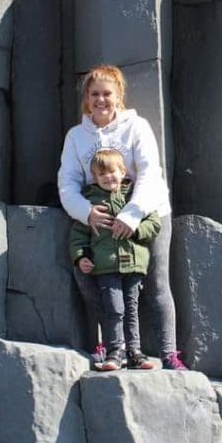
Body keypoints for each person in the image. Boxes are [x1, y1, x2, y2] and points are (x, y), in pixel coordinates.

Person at [58, 64, 188, 370]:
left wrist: (131, 216)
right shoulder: (76, 137)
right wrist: (85, 212)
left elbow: (150, 173)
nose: (101, 100)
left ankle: (169, 353)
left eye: (107, 94)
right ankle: (109, 344)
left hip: (146, 213)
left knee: (156, 284)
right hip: (98, 220)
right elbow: (68, 183)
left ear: (119, 97)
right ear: (86, 99)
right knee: (92, 280)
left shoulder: (137, 127)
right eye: (94, 94)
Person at [70, 149, 160, 371]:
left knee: (131, 308)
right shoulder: (91, 203)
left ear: (123, 172)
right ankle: (114, 352)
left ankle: (135, 352)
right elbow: (78, 236)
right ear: (95, 177)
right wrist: (81, 257)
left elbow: (154, 223)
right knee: (114, 309)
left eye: (112, 172)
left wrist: (136, 229)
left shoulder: (134, 197)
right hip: (106, 265)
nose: (108, 177)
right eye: (102, 175)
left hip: (133, 264)